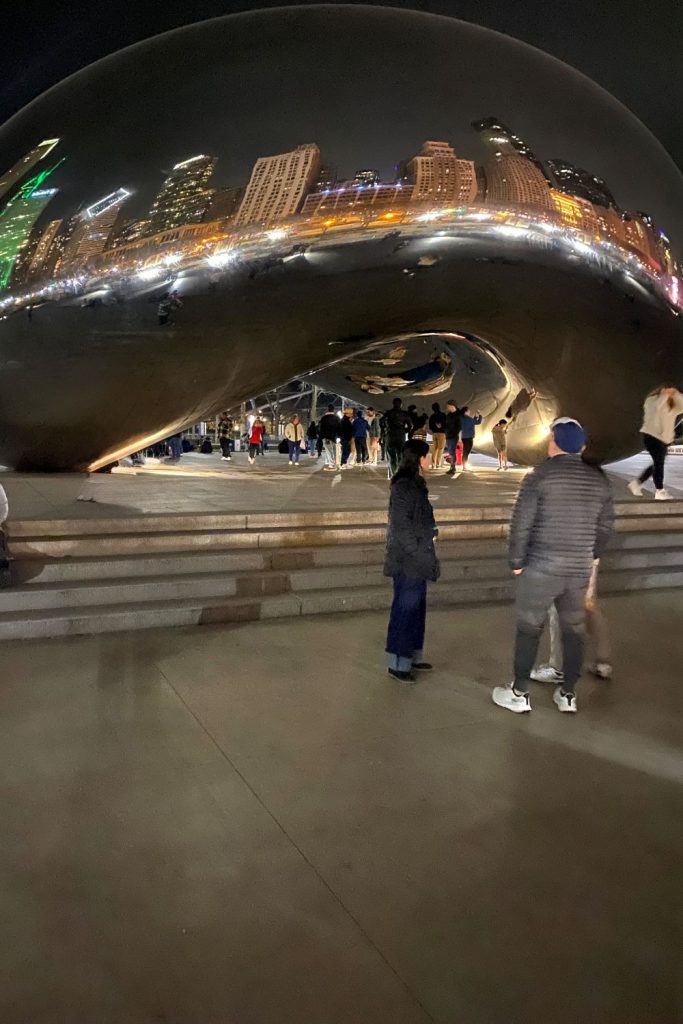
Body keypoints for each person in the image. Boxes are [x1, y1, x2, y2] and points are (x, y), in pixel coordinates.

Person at [492, 417, 614, 715]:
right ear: (581, 447)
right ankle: (568, 694)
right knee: (574, 631)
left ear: (553, 443)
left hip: (541, 567)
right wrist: (590, 554)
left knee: (529, 628)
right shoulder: (598, 479)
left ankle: (520, 693)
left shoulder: (539, 476)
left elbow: (521, 524)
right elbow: (605, 527)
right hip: (578, 569)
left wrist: (517, 562)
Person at [384, 439, 440, 683]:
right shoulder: (404, 487)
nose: (430, 460)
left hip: (418, 558)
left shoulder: (416, 484)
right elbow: (401, 525)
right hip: (408, 561)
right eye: (427, 456)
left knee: (417, 610)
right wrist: (417, 550)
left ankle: (413, 657)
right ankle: (398, 663)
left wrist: (432, 532)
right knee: (405, 611)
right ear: (419, 459)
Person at [531, 557, 612, 684]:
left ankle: (558, 667)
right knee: (589, 605)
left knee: (560, 604)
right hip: (587, 555)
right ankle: (603, 661)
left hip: (570, 555)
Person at [628, 384, 683, 500]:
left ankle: (637, 483)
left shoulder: (672, 404)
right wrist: (664, 394)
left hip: (664, 439)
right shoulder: (651, 400)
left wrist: (676, 395)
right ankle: (659, 490)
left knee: (657, 463)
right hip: (652, 435)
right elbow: (657, 408)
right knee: (659, 463)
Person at [383, 397, 412, 477]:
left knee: (391, 456)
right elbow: (410, 426)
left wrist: (386, 428)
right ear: (401, 404)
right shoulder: (404, 414)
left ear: (393, 404)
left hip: (391, 435)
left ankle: (393, 474)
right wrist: (404, 431)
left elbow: (381, 422)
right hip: (400, 435)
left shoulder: (388, 413)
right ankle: (400, 474)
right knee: (401, 456)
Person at [459, 406, 482, 471]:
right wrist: (479, 415)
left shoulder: (461, 418)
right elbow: (478, 422)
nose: (469, 412)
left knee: (465, 452)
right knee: (466, 452)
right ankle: (464, 467)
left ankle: (464, 466)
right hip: (469, 438)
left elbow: (472, 422)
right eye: (468, 411)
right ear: (466, 411)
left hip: (463, 437)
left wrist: (475, 416)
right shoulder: (469, 419)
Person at [319, 404, 340, 471]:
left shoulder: (324, 418)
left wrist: (321, 436)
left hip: (326, 436)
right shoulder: (337, 418)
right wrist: (338, 436)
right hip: (334, 436)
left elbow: (321, 428)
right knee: (333, 450)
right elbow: (339, 427)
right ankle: (334, 462)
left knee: (328, 450)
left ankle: (331, 464)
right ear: (333, 410)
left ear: (327, 409)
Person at [444, 400, 461, 476]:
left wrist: (454, 433)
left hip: (453, 436)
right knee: (450, 451)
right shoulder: (449, 415)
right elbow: (446, 424)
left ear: (452, 406)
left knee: (452, 451)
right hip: (448, 435)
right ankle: (452, 467)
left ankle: (453, 467)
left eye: (448, 406)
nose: (447, 408)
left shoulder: (458, 415)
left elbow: (459, 427)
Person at [428, 402, 447, 469]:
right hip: (441, 433)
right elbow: (446, 424)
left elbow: (430, 426)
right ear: (439, 408)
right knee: (440, 449)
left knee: (434, 449)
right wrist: (441, 427)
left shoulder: (432, 416)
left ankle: (433, 464)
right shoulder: (443, 415)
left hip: (434, 433)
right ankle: (438, 464)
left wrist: (434, 428)